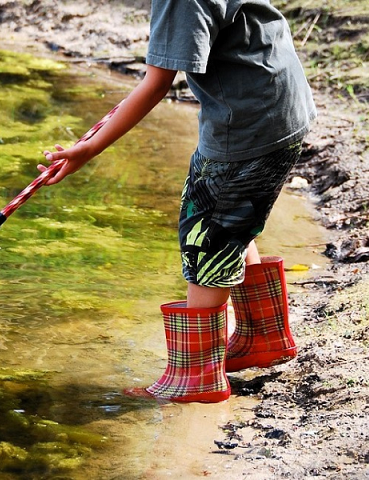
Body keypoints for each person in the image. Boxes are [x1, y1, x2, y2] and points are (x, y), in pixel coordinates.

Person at [38, 0, 316, 403]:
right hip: (279, 104)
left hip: (249, 121)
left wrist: (89, 148)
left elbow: (156, 82)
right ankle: (263, 337)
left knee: (205, 234)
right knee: (229, 219)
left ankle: (195, 376)